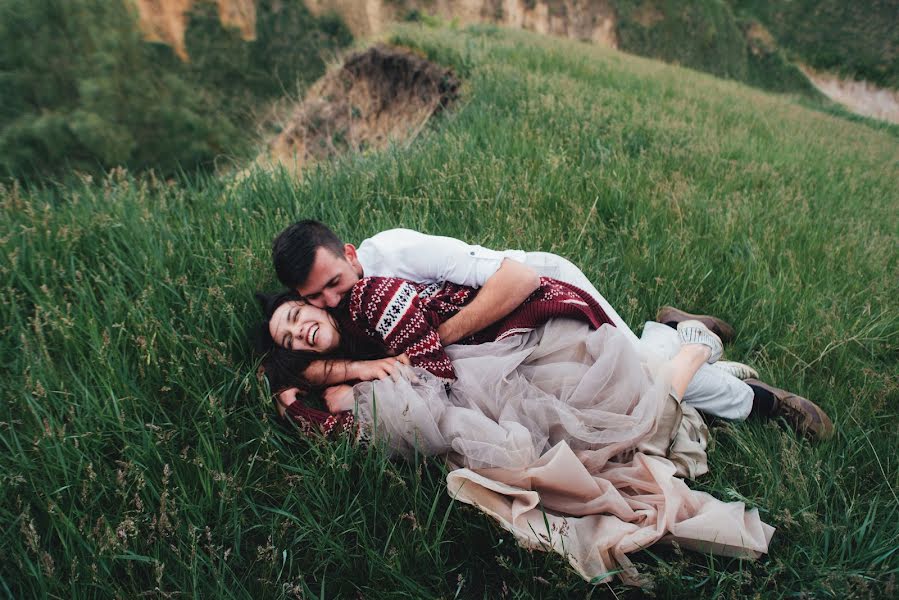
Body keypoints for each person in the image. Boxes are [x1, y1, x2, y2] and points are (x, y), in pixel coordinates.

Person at [255, 274, 774, 585]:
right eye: (290, 339)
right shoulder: (335, 372)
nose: (301, 331)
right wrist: (328, 381)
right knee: (610, 449)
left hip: (488, 366)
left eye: (298, 314)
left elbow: (419, 380)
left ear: (315, 303)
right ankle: (680, 349)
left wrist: (359, 372)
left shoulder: (367, 304)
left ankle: (692, 347)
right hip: (478, 391)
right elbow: (339, 427)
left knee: (624, 426)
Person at [270, 220, 834, 440]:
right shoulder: (331, 313)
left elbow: (518, 278)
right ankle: (674, 328)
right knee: (624, 381)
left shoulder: (396, 251)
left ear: (349, 253)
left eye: (334, 283)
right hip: (502, 345)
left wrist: (441, 338)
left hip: (539, 293)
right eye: (313, 299)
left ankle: (764, 402)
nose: (329, 302)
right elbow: (310, 364)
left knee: (642, 379)